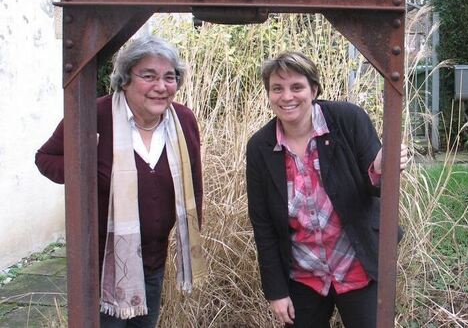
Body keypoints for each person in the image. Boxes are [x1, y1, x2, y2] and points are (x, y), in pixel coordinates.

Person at [35, 35, 206, 327]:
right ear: (125, 79)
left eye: (169, 77)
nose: (161, 87)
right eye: (149, 76)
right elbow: (46, 158)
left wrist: (192, 233)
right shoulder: (94, 116)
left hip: (153, 260)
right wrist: (87, 171)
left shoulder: (183, 120)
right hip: (102, 265)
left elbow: (195, 182)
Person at [246, 51, 408, 327]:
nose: (287, 97)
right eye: (277, 89)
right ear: (269, 94)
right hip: (303, 277)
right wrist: (277, 292)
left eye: (297, 87)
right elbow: (263, 225)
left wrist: (382, 166)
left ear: (314, 89)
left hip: (358, 267)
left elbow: (376, 182)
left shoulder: (347, 119)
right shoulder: (260, 147)